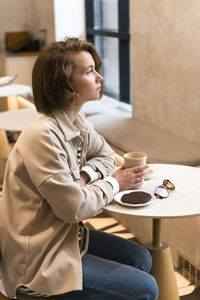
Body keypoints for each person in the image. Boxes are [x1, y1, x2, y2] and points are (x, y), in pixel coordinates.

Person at [0, 38, 158, 300]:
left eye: (95, 68)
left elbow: (106, 156)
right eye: (88, 71)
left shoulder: (76, 121)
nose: (99, 77)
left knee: (140, 256)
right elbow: (74, 208)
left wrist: (84, 176)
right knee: (146, 288)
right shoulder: (43, 136)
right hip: (38, 257)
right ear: (64, 86)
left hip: (64, 235)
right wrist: (116, 182)